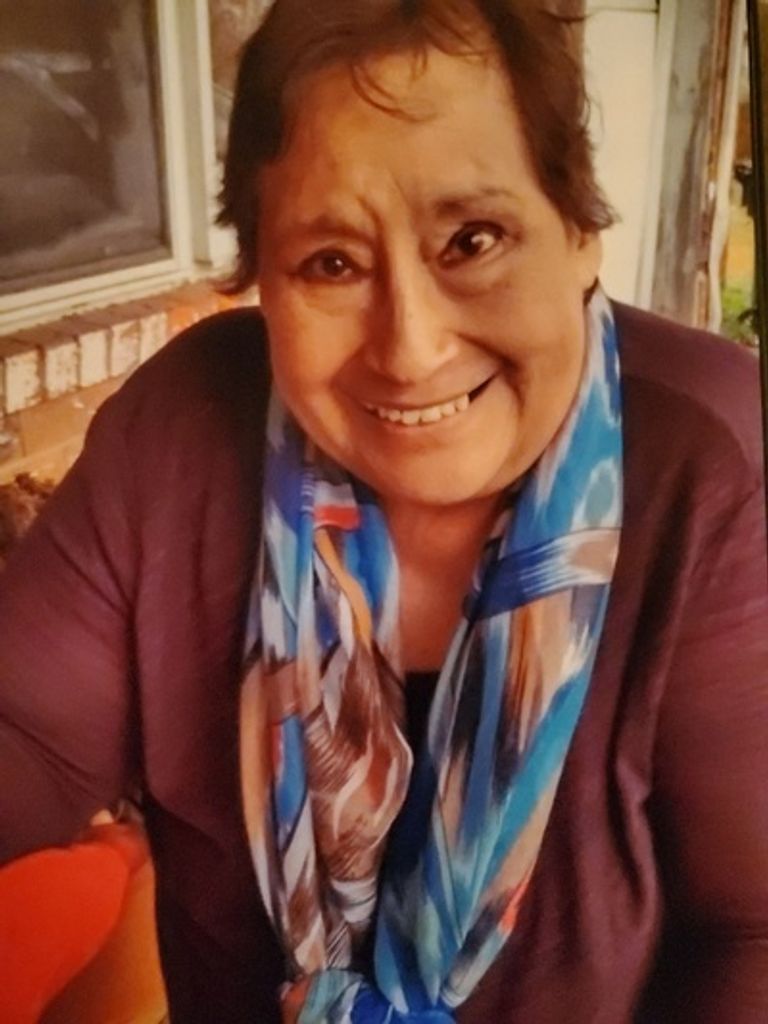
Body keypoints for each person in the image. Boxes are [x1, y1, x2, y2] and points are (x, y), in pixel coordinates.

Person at [1, 1, 767, 1021]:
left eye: (473, 240)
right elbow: (25, 735)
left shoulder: (711, 464)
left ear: (580, 230)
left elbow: (752, 932)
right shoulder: (180, 434)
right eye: (332, 262)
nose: (410, 348)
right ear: (264, 282)